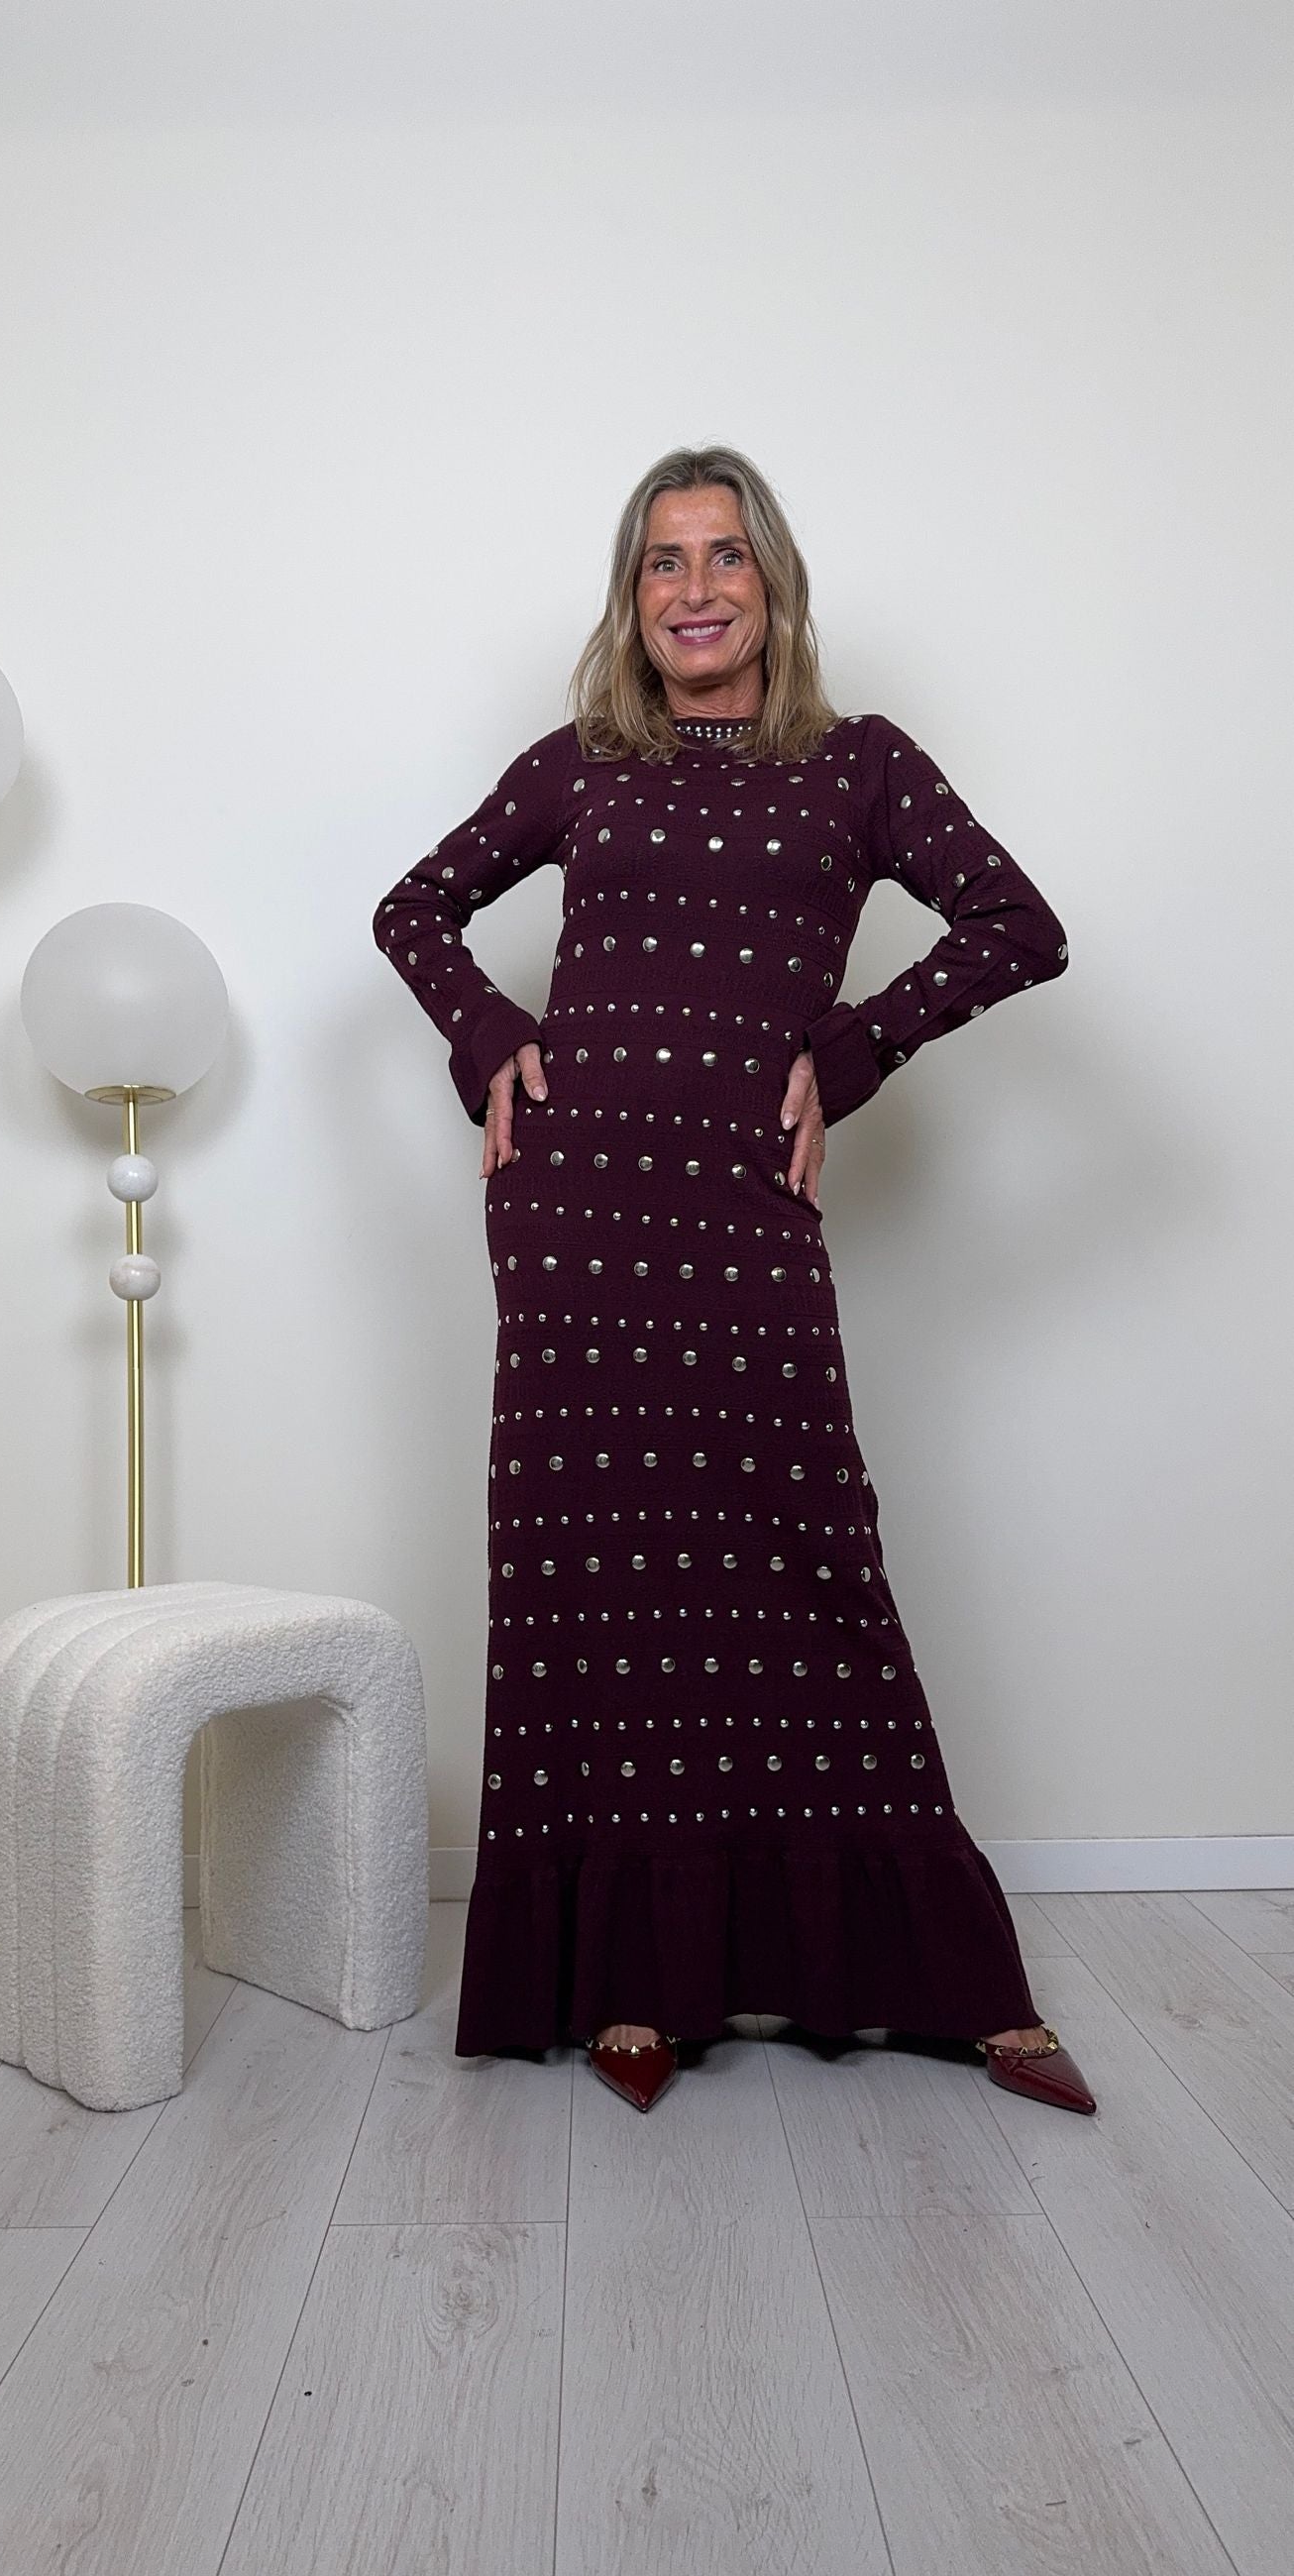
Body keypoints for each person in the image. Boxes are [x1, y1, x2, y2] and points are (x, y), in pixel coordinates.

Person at [371, 444, 1095, 2117]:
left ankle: (956, 1983)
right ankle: (630, 1978)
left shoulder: (860, 766)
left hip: (741, 1211)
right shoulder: (582, 764)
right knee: (595, 1580)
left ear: (773, 583)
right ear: (632, 597)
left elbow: (1019, 925)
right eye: (662, 562)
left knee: (807, 1558)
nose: (694, 590)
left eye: (724, 557)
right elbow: (416, 911)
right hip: (573, 1216)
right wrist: (489, 1037)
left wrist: (849, 1052)